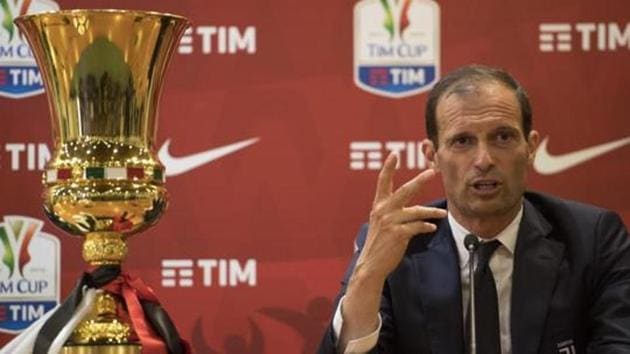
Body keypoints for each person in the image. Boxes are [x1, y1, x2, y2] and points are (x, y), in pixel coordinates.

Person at [318, 65, 630, 354]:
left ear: (531, 147)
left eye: (503, 137)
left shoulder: (593, 238)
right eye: (463, 141)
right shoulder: (399, 244)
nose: (484, 160)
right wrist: (367, 277)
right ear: (433, 156)